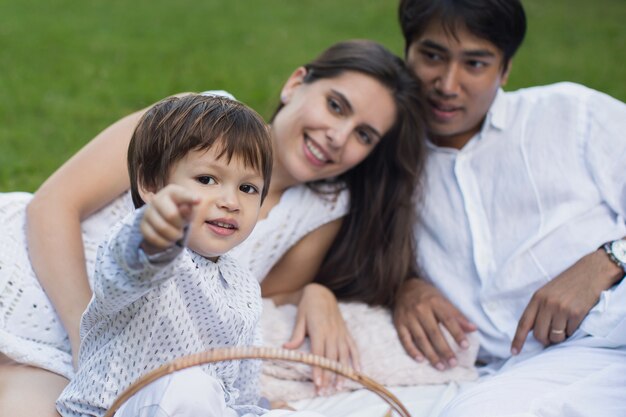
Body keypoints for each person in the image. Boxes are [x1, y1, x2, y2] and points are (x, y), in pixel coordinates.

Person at [0, 39, 426, 416]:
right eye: (336, 105)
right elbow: (53, 206)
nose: (338, 135)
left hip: (118, 352)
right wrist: (84, 337)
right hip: (47, 277)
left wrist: (314, 293)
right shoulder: (197, 119)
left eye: (364, 135)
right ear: (296, 83)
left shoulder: (319, 211)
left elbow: (251, 300)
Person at [394, 0, 626, 416]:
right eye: (432, 56)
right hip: (543, 369)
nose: (448, 83)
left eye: (475, 64)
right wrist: (402, 284)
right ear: (407, 54)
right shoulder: (384, 160)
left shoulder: (571, 114)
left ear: (505, 70)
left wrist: (609, 259)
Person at [56, 93, 325, 417]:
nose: (230, 201)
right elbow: (125, 272)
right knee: (190, 387)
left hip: (195, 407)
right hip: (115, 408)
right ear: (151, 185)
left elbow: (236, 379)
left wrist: (253, 408)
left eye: (248, 188)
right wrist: (153, 235)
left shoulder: (242, 286)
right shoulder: (151, 254)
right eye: (207, 179)